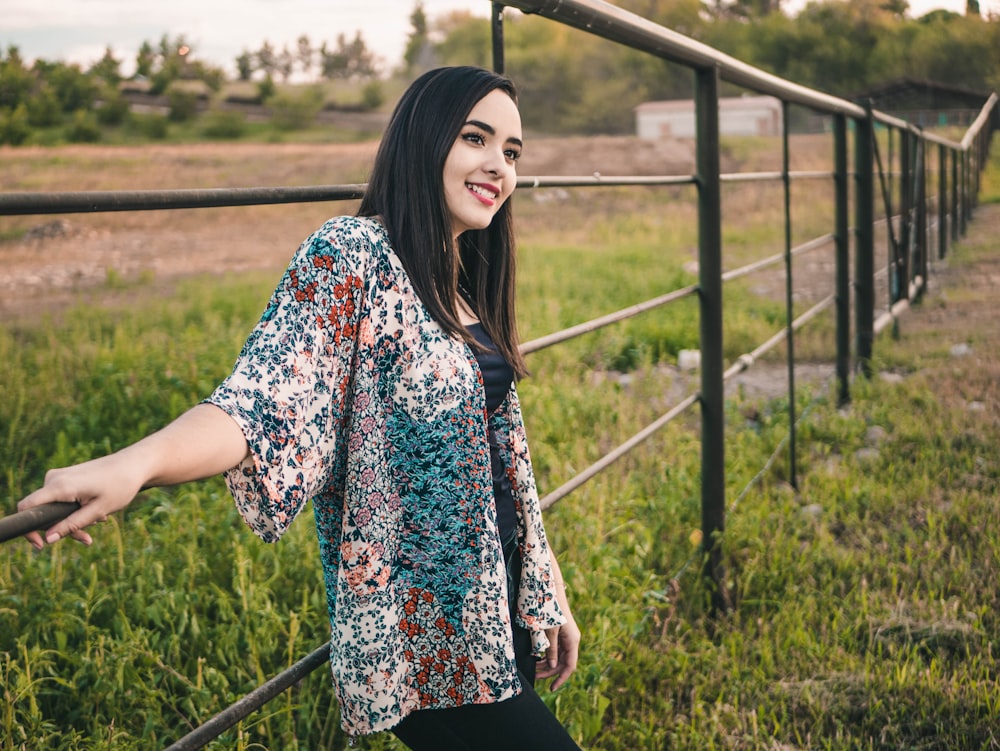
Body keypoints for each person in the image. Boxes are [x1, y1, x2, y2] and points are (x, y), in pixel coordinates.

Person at [17, 66, 582, 750]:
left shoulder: (467, 279)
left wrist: (543, 583)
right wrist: (133, 464)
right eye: (475, 138)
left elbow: (501, 458)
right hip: (427, 638)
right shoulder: (353, 254)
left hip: (499, 606)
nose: (499, 164)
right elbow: (262, 401)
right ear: (424, 141)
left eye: (513, 152)